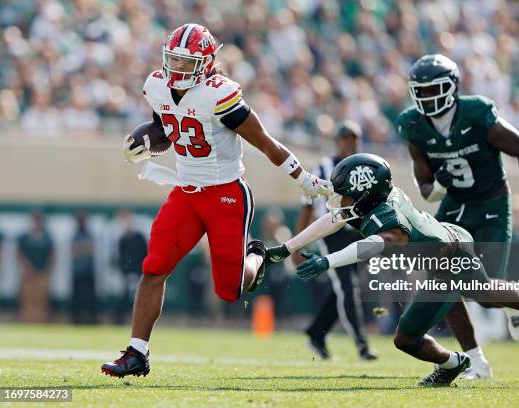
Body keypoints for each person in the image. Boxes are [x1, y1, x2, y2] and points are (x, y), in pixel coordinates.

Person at [101, 23, 332, 378]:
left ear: (206, 64)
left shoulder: (219, 95)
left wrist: (303, 177)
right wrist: (146, 143)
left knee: (230, 290)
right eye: (173, 60)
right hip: (187, 192)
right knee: (153, 267)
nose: (176, 70)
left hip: (226, 194)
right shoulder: (158, 85)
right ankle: (137, 352)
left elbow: (266, 142)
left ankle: (256, 255)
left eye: (185, 62)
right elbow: (167, 127)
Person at [265, 153, 519, 387]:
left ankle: (456, 362)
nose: (341, 201)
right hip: (447, 242)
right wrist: (287, 247)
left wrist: (327, 261)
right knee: (476, 295)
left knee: (407, 338)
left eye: (347, 194)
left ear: (366, 194)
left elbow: (373, 244)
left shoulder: (387, 218)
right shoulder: (374, 199)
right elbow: (333, 220)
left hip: (448, 258)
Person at [398, 54, 519, 379]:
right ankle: (477, 361)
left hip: (492, 204)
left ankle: (512, 302)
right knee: (444, 282)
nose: (427, 98)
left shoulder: (476, 112)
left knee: (487, 293)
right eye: (420, 91)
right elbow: (424, 182)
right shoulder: (413, 124)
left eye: (434, 89)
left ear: (452, 87)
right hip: (453, 206)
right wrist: (433, 189)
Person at [293, 121, 376, 360]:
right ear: (337, 141)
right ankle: (362, 346)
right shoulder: (322, 168)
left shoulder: (365, 167)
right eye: (346, 139)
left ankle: (316, 334)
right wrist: (297, 244)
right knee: (347, 287)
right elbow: (307, 206)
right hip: (332, 231)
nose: (350, 143)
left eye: (354, 139)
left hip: (358, 231)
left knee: (344, 288)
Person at [17, 210, 54, 323]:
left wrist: (47, 270)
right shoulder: (24, 237)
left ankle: (41, 322)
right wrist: (25, 267)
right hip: (28, 274)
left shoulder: (47, 237)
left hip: (42, 273)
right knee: (28, 300)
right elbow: (19, 254)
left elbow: (52, 255)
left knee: (41, 300)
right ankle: (27, 321)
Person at [114, 209, 147, 325]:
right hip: (128, 275)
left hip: (139, 274)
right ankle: (120, 321)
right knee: (125, 299)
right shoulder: (122, 240)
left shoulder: (139, 237)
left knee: (141, 300)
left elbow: (144, 255)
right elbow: (122, 259)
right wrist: (127, 273)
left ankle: (142, 322)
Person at [70, 211, 98, 324]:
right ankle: (76, 319)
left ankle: (92, 319)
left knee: (91, 298)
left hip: (88, 270)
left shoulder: (88, 234)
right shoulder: (76, 235)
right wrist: (83, 249)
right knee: (76, 298)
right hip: (77, 271)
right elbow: (74, 251)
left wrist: (81, 249)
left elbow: (90, 249)